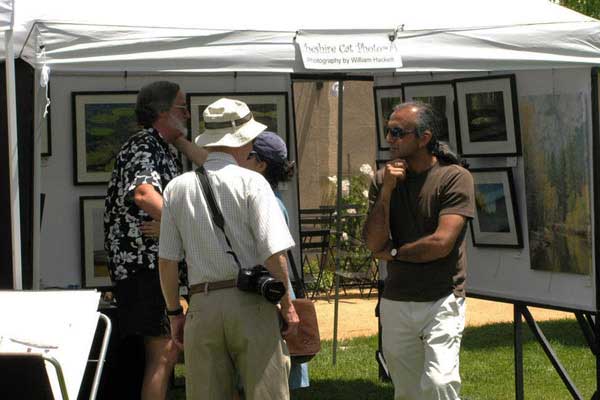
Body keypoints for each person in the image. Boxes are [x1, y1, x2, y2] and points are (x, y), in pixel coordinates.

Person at [158, 98, 299, 400]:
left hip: (202, 304)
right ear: (244, 138)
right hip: (251, 303)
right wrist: (287, 305)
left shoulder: (176, 188)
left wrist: (174, 313)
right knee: (267, 394)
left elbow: (167, 262)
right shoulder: (254, 183)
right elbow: (275, 253)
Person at [363, 101, 474, 400]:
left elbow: (441, 243)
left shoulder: (454, 177)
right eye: (388, 131)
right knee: (407, 391)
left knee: (439, 383)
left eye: (398, 132)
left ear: (424, 138)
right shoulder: (381, 179)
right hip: (397, 300)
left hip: (442, 298)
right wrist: (386, 191)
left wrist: (396, 253)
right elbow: (374, 244)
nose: (390, 139)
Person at [103, 80, 207, 400]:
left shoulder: (162, 146)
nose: (188, 114)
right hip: (143, 270)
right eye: (182, 107)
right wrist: (183, 227)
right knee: (162, 354)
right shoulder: (144, 144)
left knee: (166, 354)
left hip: (153, 268)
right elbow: (144, 194)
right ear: (162, 112)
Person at [241, 130, 310, 391]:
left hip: (269, 292)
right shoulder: (268, 197)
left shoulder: (267, 201)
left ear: (260, 164)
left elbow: (274, 255)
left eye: (246, 155)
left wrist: (286, 306)